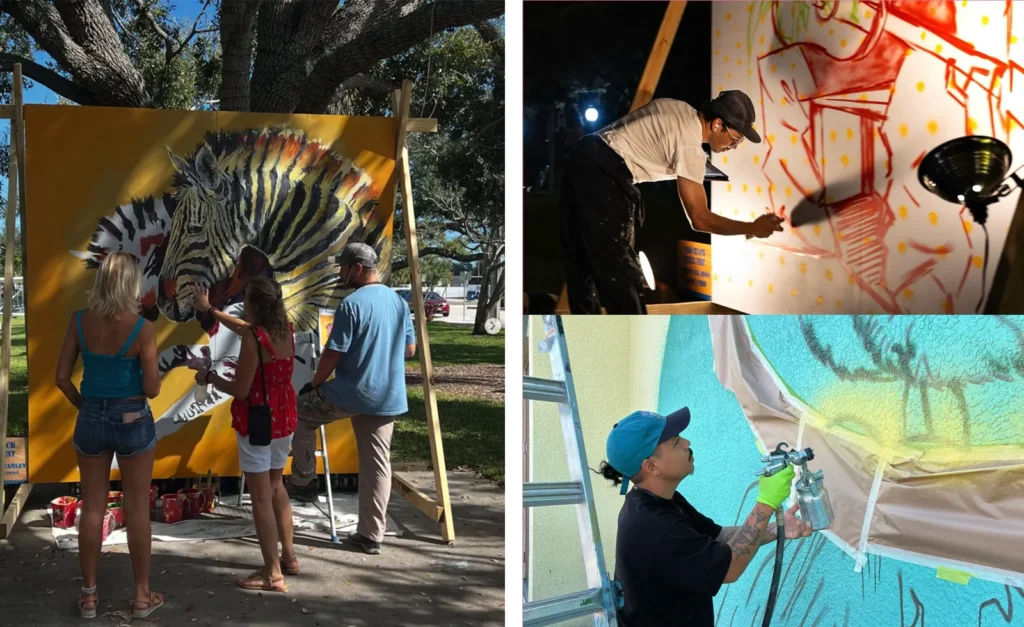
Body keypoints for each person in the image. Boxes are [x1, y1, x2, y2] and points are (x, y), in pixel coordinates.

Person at [560, 90, 785, 314]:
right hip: (604, 176)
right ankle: (632, 341)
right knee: (621, 274)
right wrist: (752, 228)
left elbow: (661, 141)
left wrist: (696, 168)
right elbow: (700, 219)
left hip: (581, 158)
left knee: (582, 270)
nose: (734, 146)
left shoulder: (679, 107)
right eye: (735, 139)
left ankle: (583, 336)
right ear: (717, 125)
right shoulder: (689, 147)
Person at [596, 408, 813, 627]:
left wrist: (775, 530)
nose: (686, 443)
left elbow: (719, 537)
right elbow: (730, 567)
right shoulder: (654, 526)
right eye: (675, 442)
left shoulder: (659, 500)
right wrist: (765, 503)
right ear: (651, 466)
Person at [284, 242, 416, 556]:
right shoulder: (399, 303)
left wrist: (313, 385)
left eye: (343, 267)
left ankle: (303, 482)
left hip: (351, 393)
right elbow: (410, 350)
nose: (340, 273)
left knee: (299, 413)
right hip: (387, 397)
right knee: (377, 465)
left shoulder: (352, 304)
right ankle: (370, 536)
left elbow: (332, 354)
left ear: (357, 268)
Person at [54, 251, 164, 620]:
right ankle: (141, 596)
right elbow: (152, 390)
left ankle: (88, 596)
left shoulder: (78, 321)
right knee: (136, 509)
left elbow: (61, 378)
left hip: (90, 417)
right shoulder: (142, 328)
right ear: (130, 283)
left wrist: (84, 404)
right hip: (133, 418)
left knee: (92, 506)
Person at [190, 277, 299, 592]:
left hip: (258, 419)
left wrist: (210, 376)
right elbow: (242, 326)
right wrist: (210, 309)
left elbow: (240, 389)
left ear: (254, 305)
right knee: (277, 487)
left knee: (261, 497)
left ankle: (272, 573)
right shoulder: (285, 331)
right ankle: (288, 558)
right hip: (283, 416)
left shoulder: (253, 339)